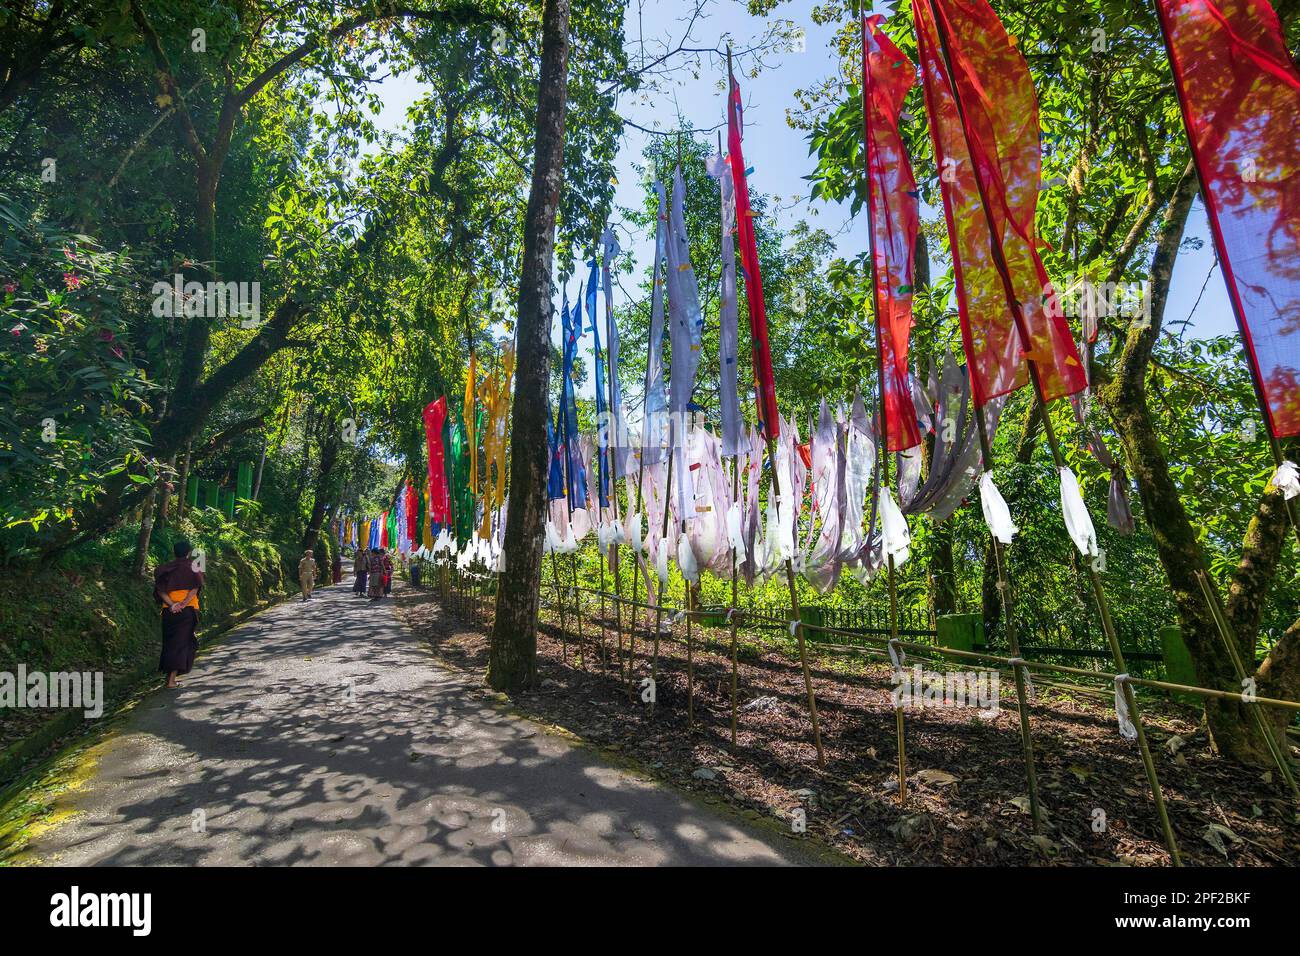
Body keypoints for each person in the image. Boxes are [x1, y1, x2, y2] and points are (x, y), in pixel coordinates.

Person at [155, 538, 204, 689]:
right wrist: (183, 604)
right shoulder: (194, 567)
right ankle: (171, 681)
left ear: (174, 553)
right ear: (188, 553)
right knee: (181, 644)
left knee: (170, 643)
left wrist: (173, 604)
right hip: (187, 611)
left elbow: (161, 590)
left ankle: (169, 678)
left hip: (169, 611)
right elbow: (195, 588)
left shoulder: (164, 569)